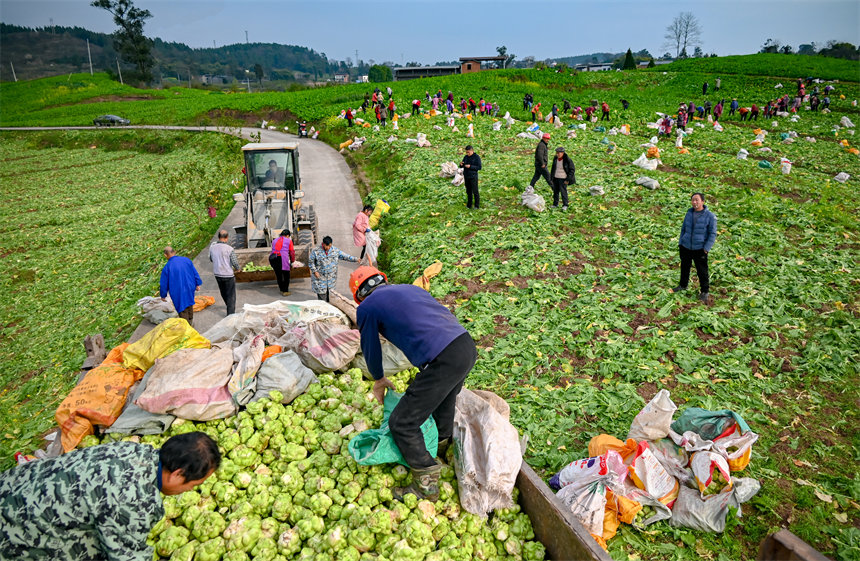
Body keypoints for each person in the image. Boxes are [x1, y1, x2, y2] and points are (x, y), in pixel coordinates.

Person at [349, 266, 477, 501]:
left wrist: (379, 379)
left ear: (359, 296)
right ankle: (439, 450)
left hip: (443, 358)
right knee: (443, 403)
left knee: (402, 422)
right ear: (382, 280)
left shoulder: (367, 307)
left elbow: (370, 346)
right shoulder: (410, 289)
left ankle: (426, 484)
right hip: (465, 346)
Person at [0, 432, 220, 561]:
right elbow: (126, 556)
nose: (191, 491)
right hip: (14, 527)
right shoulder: (135, 501)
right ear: (178, 474)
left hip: (11, 486)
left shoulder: (133, 451)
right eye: (194, 484)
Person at [672, 193, 717, 303]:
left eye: (697, 200)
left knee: (702, 271)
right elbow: (683, 228)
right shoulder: (689, 213)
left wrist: (706, 248)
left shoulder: (710, 216)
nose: (694, 202)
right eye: (693, 200)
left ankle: (704, 291)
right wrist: (681, 242)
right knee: (685, 267)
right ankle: (683, 285)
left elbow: (712, 234)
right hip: (686, 246)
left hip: (700, 248)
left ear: (703, 201)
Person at [309, 235, 358, 302]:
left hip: (331, 280)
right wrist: (315, 271)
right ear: (323, 244)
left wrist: (356, 259)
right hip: (320, 280)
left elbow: (345, 256)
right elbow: (311, 262)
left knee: (331, 299)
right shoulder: (316, 251)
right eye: (327, 246)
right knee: (322, 301)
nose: (329, 248)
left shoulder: (335, 251)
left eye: (330, 246)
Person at [159, 246, 201, 324]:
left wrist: (163, 295)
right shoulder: (186, 260)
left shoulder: (167, 267)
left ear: (165, 255)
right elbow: (194, 272)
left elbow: (164, 284)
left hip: (178, 291)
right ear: (174, 252)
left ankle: (187, 326)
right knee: (189, 303)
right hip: (189, 286)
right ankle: (191, 320)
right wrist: (197, 283)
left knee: (182, 307)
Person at [209, 229, 239, 316]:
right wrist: (238, 268)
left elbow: (211, 259)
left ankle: (228, 306)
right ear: (226, 238)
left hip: (217, 274)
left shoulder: (212, 248)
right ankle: (231, 314)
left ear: (219, 237)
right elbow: (234, 262)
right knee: (231, 295)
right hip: (228, 275)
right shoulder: (229, 249)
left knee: (223, 292)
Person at [269, 230, 295, 296]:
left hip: (273, 258)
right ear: (287, 235)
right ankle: (285, 291)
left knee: (279, 275)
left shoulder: (274, 240)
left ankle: (281, 290)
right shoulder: (289, 241)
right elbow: (292, 252)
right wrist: (292, 261)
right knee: (286, 275)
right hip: (282, 258)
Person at [549, 146, 575, 210]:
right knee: (555, 192)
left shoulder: (567, 160)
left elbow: (572, 170)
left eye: (559, 153)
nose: (557, 154)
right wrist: (551, 178)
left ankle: (565, 204)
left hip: (563, 178)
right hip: (556, 177)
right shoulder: (555, 159)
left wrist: (568, 179)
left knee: (563, 192)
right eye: (557, 153)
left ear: (563, 153)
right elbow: (553, 168)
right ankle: (555, 204)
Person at [460, 145, 482, 210]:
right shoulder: (466, 157)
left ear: (472, 151)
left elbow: (479, 167)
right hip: (466, 176)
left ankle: (477, 205)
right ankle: (469, 204)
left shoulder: (476, 157)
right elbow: (462, 165)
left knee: (475, 191)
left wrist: (470, 166)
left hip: (473, 176)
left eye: (468, 152)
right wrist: (461, 165)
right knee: (468, 191)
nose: (467, 154)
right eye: (466, 152)